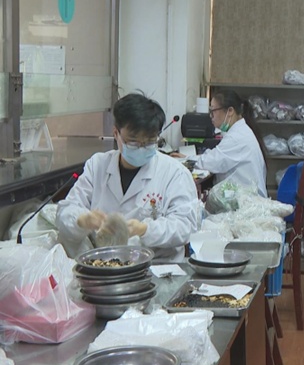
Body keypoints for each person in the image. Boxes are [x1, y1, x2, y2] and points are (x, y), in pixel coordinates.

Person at [56, 93, 201, 262]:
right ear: (116, 133)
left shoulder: (174, 173)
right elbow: (65, 212)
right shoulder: (98, 165)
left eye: (149, 142)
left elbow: (185, 226)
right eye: (133, 142)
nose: (141, 148)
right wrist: (82, 220)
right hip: (104, 265)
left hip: (156, 267)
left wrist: (145, 230)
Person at [175, 90, 267, 196]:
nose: (211, 116)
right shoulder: (240, 131)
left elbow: (211, 163)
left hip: (247, 201)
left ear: (230, 111)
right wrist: (189, 158)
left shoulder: (236, 137)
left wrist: (186, 160)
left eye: (213, 111)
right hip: (245, 196)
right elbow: (216, 156)